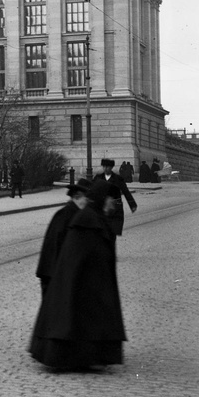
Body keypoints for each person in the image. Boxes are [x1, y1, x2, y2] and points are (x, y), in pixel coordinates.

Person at [29, 183, 127, 370]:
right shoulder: (81, 218)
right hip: (71, 280)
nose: (112, 205)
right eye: (109, 200)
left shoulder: (92, 217)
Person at [35, 178, 91, 296]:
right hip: (54, 278)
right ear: (77, 197)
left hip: (56, 277)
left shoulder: (71, 214)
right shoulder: (66, 216)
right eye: (87, 199)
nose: (89, 204)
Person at [88, 157, 137, 239]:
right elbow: (92, 190)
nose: (105, 169)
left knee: (112, 231)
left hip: (114, 208)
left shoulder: (118, 179)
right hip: (102, 207)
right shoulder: (98, 177)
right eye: (104, 167)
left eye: (107, 167)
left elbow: (126, 192)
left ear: (111, 168)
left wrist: (132, 204)